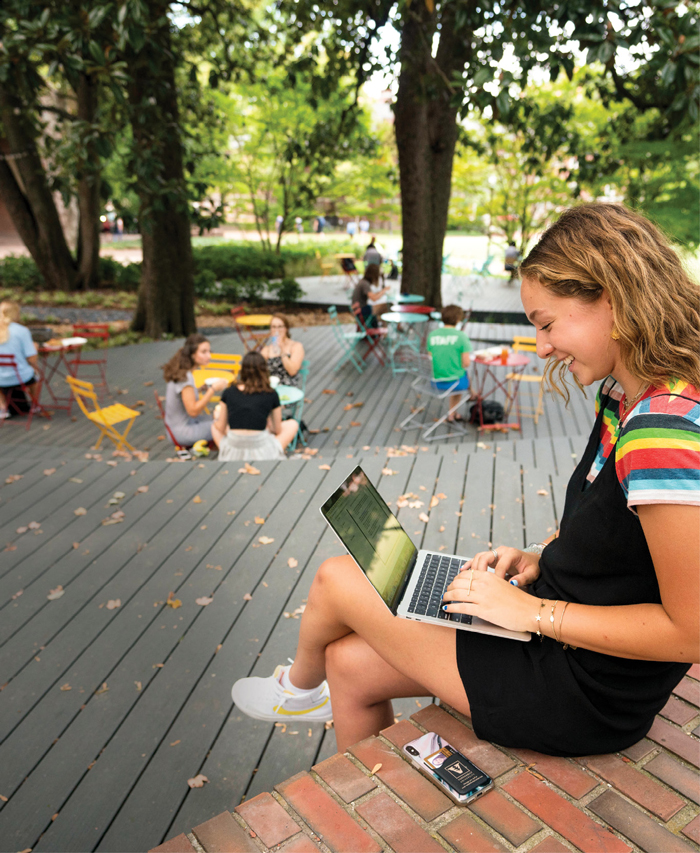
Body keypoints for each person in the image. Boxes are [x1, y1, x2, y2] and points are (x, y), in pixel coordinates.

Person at [231, 203, 699, 757]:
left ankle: (296, 690)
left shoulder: (660, 430)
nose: (543, 346)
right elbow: (626, 548)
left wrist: (530, 612)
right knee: (348, 664)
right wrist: (539, 559)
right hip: (561, 637)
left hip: (584, 690)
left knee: (338, 579)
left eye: (546, 324)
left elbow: (690, 632)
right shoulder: (626, 396)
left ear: (612, 302)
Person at [213, 351, 298, 461]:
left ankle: (228, 452)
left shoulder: (229, 392)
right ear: (264, 370)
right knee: (292, 424)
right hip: (260, 447)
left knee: (214, 426)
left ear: (242, 370)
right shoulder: (271, 394)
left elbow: (221, 427)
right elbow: (277, 430)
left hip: (234, 446)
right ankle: (271, 453)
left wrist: (216, 417)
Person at [161, 334, 228, 447]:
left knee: (220, 417)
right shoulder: (185, 377)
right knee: (224, 424)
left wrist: (199, 389)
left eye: (209, 351)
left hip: (180, 426)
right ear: (192, 355)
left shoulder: (183, 371)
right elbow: (193, 411)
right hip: (183, 432)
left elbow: (185, 396)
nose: (209, 356)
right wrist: (212, 389)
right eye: (204, 352)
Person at [425, 304, 473, 422]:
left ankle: (453, 413)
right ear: (458, 319)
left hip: (436, 381)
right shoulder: (461, 336)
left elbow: (431, 357)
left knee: (457, 374)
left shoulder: (432, 335)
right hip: (455, 382)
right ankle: (455, 411)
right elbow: (466, 363)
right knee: (461, 375)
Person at [0, 301, 40, 418]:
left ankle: (2, 407)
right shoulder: (21, 331)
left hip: (1, 379)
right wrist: (35, 349)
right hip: (21, 377)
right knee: (36, 375)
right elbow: (31, 358)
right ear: (15, 314)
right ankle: (35, 404)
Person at [260, 314, 305, 388]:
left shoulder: (296, 346)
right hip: (270, 389)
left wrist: (282, 351)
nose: (276, 330)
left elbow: (292, 371)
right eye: (273, 327)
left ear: (286, 328)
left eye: (280, 326)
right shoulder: (267, 349)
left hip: (288, 388)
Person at [351, 263, 391, 329]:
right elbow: (374, 298)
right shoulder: (365, 284)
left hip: (361, 309)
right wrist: (384, 290)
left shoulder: (363, 282)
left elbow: (373, 295)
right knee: (386, 307)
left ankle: (381, 329)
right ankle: (383, 330)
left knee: (384, 308)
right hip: (361, 310)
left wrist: (381, 292)